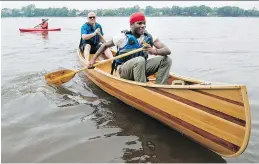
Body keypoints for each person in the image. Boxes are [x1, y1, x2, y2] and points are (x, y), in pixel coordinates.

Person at [88, 12, 172, 84]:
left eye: (144, 23)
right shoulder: (122, 37)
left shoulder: (149, 37)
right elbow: (104, 45)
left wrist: (154, 50)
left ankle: (159, 87)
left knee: (167, 60)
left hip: (140, 68)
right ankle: (142, 88)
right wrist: (93, 60)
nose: (143, 26)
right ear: (131, 25)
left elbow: (167, 50)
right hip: (123, 70)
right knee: (140, 60)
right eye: (139, 23)